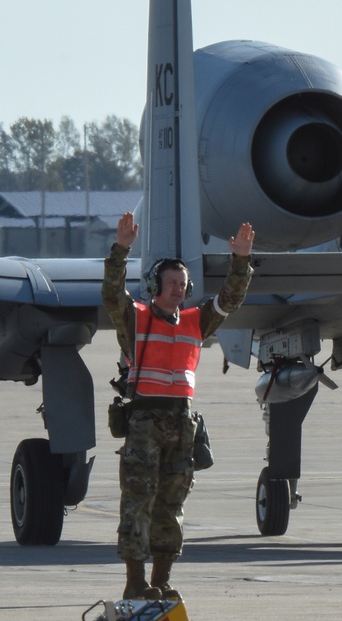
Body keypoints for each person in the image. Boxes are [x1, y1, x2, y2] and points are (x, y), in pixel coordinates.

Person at [102, 212, 255, 599]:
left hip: (181, 423)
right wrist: (120, 251)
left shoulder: (195, 322)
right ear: (155, 285)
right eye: (170, 282)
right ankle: (135, 582)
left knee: (172, 501)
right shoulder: (135, 319)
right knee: (138, 499)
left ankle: (161, 579)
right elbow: (112, 293)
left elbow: (231, 300)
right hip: (144, 422)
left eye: (182, 285)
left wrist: (240, 261)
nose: (176, 289)